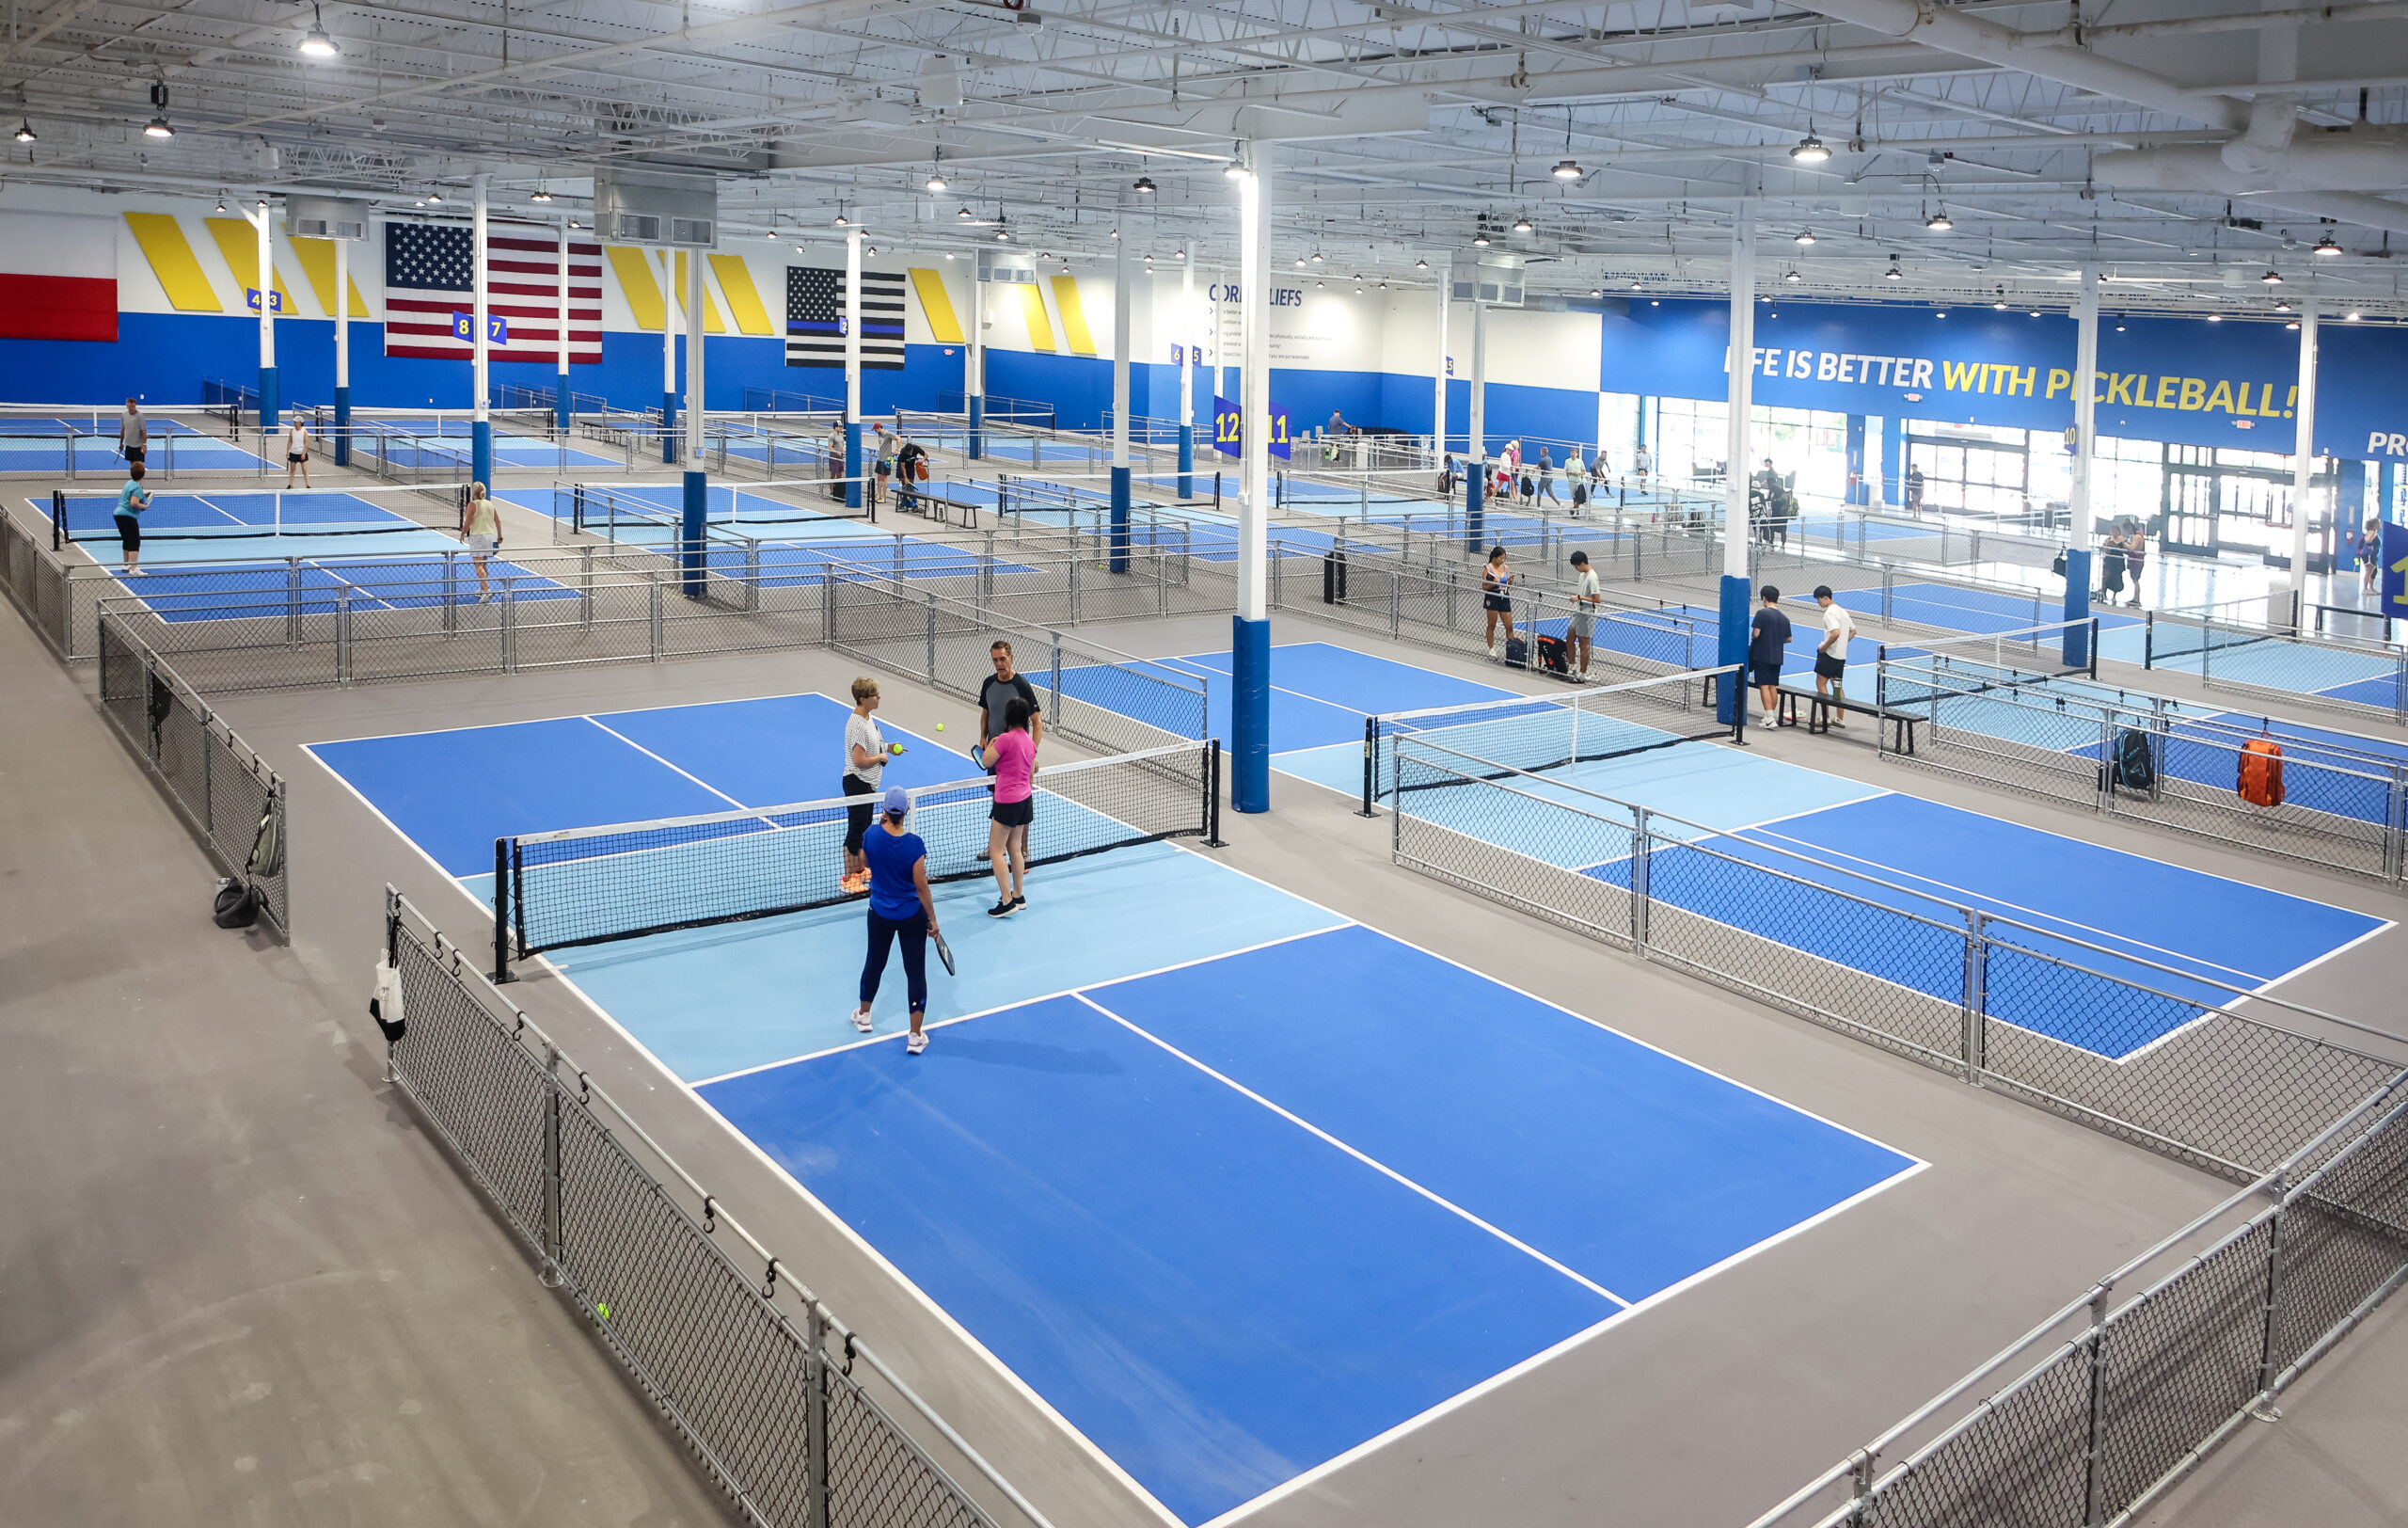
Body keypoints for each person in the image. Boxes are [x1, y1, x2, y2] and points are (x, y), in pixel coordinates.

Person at [848, 786, 941, 1055]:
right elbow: (921, 887)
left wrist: (875, 829)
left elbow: (861, 864)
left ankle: (864, 1015)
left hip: (879, 914)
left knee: (874, 963)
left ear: (885, 811)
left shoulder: (872, 835)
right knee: (915, 972)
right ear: (906, 812)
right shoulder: (914, 845)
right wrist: (932, 920)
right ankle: (915, 1036)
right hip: (912, 916)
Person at [985, 696, 1037, 916]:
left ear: (1007, 717)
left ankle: (1007, 901)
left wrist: (992, 743)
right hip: (1025, 800)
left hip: (1007, 801)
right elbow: (1034, 766)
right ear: (1026, 719)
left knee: (995, 850)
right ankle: (1018, 894)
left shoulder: (1004, 740)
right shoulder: (1030, 741)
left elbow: (986, 761)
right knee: (1015, 847)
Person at [840, 676, 890, 896]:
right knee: (856, 831)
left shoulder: (868, 718)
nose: (878, 698)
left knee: (863, 828)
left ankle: (859, 870)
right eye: (874, 695)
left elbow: (874, 744)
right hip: (857, 783)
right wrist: (881, 756)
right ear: (863, 699)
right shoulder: (858, 724)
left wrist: (890, 747)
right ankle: (848, 879)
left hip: (868, 784)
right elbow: (859, 760)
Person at [1811, 584, 1856, 724]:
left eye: (1819, 599)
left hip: (1829, 656)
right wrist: (1843, 642)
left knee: (1821, 682)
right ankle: (1839, 719)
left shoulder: (1829, 613)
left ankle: (1825, 717)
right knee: (1837, 686)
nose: (1818, 603)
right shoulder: (1843, 611)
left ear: (1825, 598)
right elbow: (1853, 631)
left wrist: (1825, 646)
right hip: (1841, 656)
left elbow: (1835, 632)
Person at [1750, 585, 1792, 724]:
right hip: (1777, 656)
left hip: (1762, 655)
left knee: (1764, 685)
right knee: (1773, 685)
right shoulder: (1785, 618)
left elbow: (1756, 634)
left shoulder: (1762, 613)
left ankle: (1769, 718)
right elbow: (1789, 639)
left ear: (1764, 598)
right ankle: (1770, 716)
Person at [459, 481, 502, 601]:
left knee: (478, 565)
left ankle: (487, 590)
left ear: (474, 492)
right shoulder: (489, 504)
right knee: (483, 564)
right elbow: (498, 521)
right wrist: (499, 535)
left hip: (477, 537)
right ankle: (483, 588)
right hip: (488, 536)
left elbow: (468, 522)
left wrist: (462, 533)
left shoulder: (472, 505)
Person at [1566, 549, 1601, 681]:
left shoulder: (1592, 577)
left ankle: (1582, 673)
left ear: (1582, 563)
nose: (1576, 569)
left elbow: (1597, 599)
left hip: (1587, 614)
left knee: (1583, 643)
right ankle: (1572, 666)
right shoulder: (1582, 575)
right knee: (1569, 638)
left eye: (1576, 566)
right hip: (1578, 612)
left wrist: (1580, 597)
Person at [114, 462, 152, 576]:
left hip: (118, 515)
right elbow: (134, 503)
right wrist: (144, 506)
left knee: (127, 540)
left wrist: (144, 495)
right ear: (143, 474)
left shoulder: (130, 483)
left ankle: (126, 565)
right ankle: (134, 568)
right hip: (127, 516)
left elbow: (133, 496)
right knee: (135, 541)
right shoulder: (137, 487)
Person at [1481, 544, 1514, 657]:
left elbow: (1508, 583)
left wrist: (1509, 582)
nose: (1503, 560)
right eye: (1501, 557)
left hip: (1504, 596)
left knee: (1509, 625)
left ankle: (1511, 650)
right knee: (1492, 624)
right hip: (1493, 596)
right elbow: (1484, 586)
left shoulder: (1506, 568)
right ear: (1495, 557)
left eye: (1504, 557)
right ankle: (1491, 649)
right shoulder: (1488, 568)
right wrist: (1493, 583)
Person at [895, 435, 927, 514]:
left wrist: (922, 460)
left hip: (911, 467)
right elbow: (902, 467)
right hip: (902, 466)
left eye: (910, 452)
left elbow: (925, 455)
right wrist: (905, 478)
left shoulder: (916, 448)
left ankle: (913, 504)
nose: (909, 453)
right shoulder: (903, 452)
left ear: (912, 449)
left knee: (911, 485)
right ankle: (903, 503)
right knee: (904, 484)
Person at [2099, 522, 2130, 604]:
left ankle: (2114, 596)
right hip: (2109, 560)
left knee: (2117, 578)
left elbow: (2127, 550)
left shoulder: (2123, 540)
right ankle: (2103, 592)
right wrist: (2107, 545)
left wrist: (2116, 546)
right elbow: (2103, 549)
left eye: (2115, 530)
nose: (2114, 532)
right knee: (2105, 577)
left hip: (2118, 562)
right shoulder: (2108, 539)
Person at [2121, 517, 2147, 607]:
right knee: (2134, 580)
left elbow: (2132, 547)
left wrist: (2124, 542)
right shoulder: (2136, 536)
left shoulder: (2137, 537)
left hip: (2137, 561)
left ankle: (2137, 599)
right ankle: (2135, 598)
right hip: (2135, 561)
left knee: (2135, 580)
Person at [282, 410, 312, 488]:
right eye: (294, 421)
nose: (294, 423)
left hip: (301, 453)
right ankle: (290, 484)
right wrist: (288, 451)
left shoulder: (304, 431)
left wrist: (303, 453)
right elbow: (290, 441)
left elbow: (306, 443)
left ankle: (307, 485)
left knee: (304, 470)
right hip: (293, 453)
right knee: (292, 470)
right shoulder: (292, 431)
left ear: (300, 423)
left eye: (295, 422)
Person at [871, 423, 895, 509]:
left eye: (875, 429)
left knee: (884, 478)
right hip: (880, 459)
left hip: (886, 459)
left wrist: (896, 450)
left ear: (879, 428)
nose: (875, 431)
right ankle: (878, 495)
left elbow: (898, 438)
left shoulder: (888, 434)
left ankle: (884, 497)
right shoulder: (879, 434)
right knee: (879, 477)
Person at [118, 398, 147, 468]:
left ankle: (139, 478)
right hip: (129, 445)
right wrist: (121, 443)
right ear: (127, 405)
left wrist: (144, 445)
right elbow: (123, 429)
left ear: (135, 405)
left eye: (133, 406)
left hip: (138, 446)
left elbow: (143, 431)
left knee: (140, 465)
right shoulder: (124, 415)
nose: (132, 408)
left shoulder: (140, 416)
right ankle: (133, 478)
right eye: (130, 406)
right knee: (132, 465)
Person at [2363, 517, 2386, 596]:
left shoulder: (2374, 532)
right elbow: (2368, 540)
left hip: (2373, 555)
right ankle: (2365, 589)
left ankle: (2371, 588)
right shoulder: (2372, 532)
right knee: (2369, 572)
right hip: (2369, 554)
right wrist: (2370, 545)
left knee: (2374, 571)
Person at [825, 424, 847, 503]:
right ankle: (832, 491)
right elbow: (830, 447)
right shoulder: (831, 436)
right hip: (834, 458)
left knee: (840, 474)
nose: (840, 428)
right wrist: (837, 452)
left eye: (841, 427)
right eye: (839, 427)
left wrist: (843, 450)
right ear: (835, 427)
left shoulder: (841, 435)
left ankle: (838, 491)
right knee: (833, 475)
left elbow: (842, 445)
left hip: (841, 458)